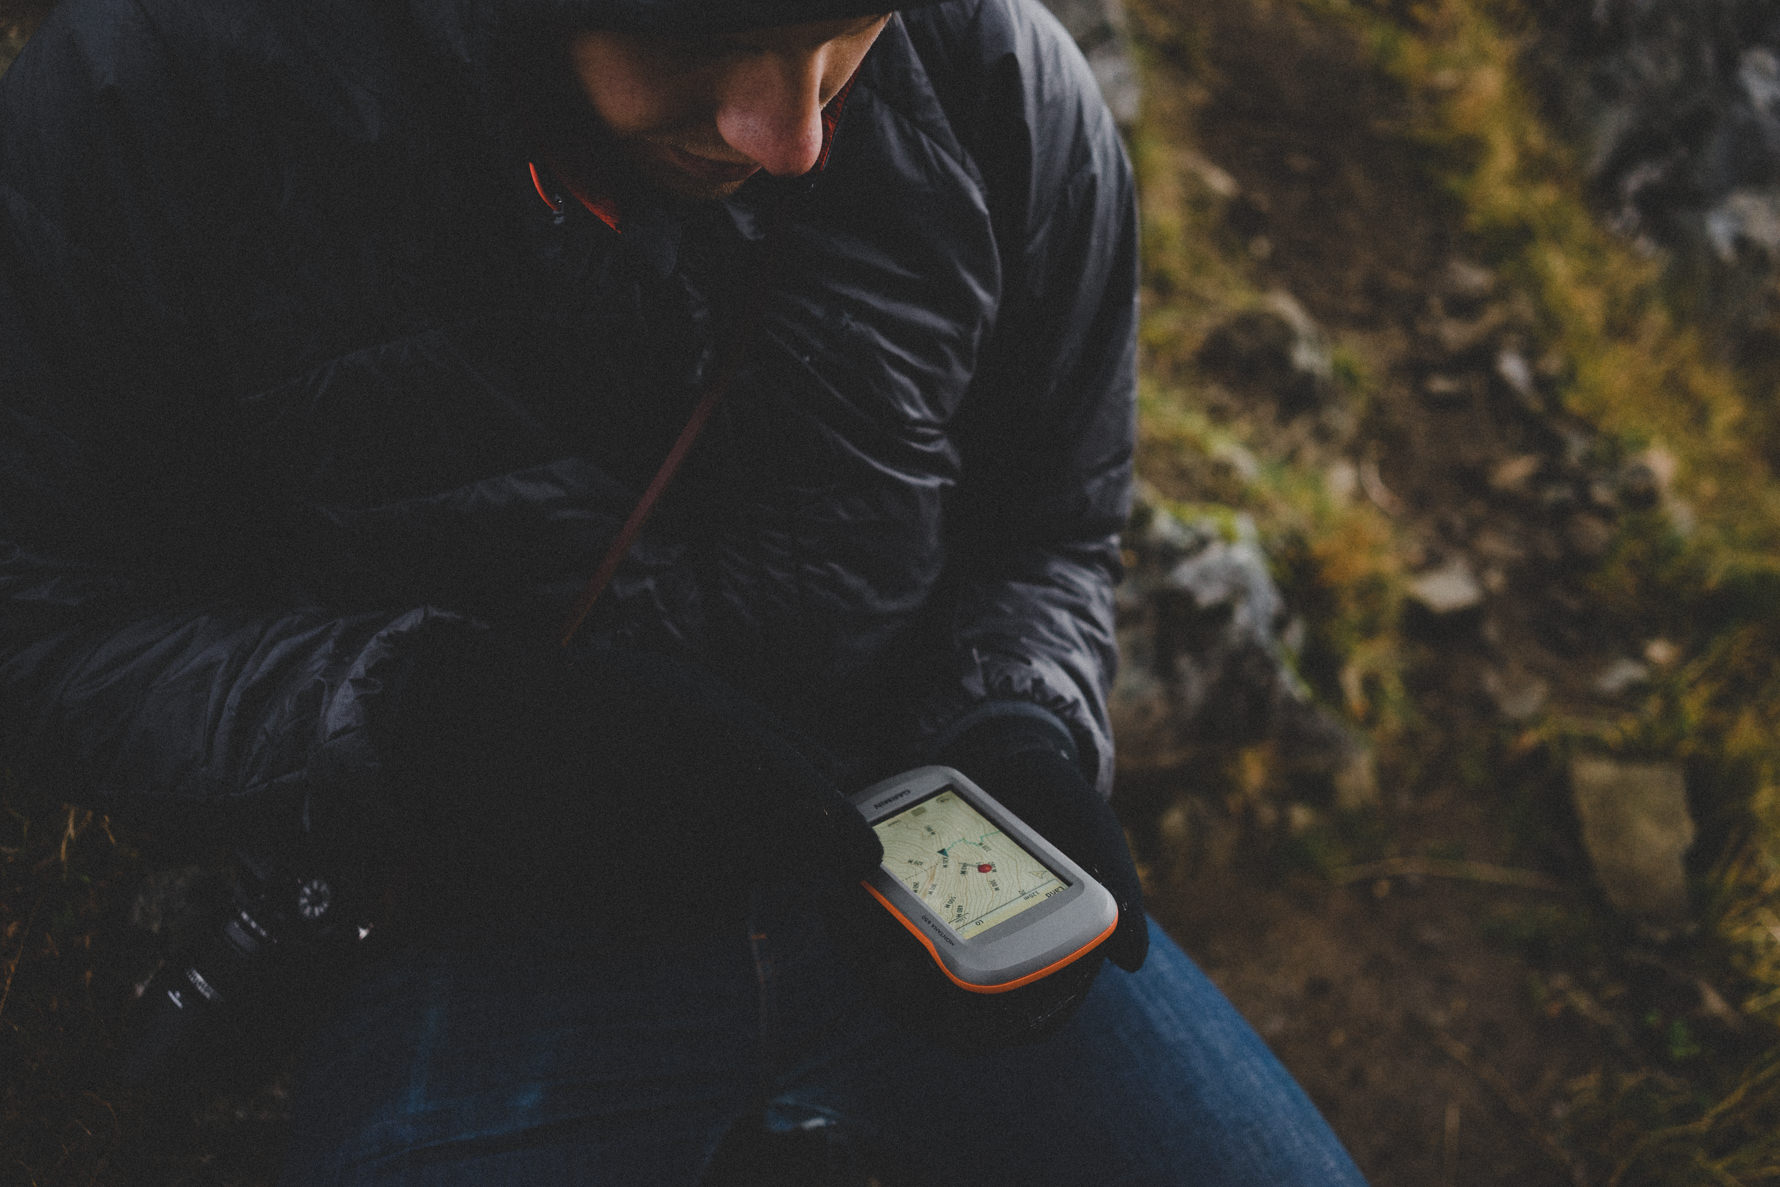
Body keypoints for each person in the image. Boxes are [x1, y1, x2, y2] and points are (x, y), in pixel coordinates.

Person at [0, 0, 1371, 1182]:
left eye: (847, 31)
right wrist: (428, 727)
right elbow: (44, 617)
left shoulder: (1003, 84)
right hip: (476, 928)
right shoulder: (161, 103)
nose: (795, 135)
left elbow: (1053, 527)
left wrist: (1019, 723)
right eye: (710, 38)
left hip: (911, 880)